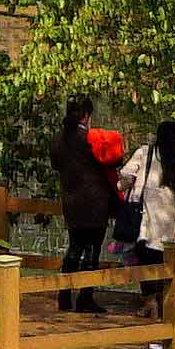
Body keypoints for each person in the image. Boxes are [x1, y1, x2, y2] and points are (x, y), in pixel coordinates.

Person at [113, 120, 175, 323]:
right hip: (169, 223)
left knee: (145, 261)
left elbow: (125, 174)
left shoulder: (145, 153)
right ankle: (160, 304)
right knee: (164, 263)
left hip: (146, 220)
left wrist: (125, 185)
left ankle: (151, 302)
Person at [53, 97, 120, 315]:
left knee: (74, 247)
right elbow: (112, 161)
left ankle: (64, 296)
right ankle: (85, 297)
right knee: (92, 250)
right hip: (95, 202)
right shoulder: (91, 139)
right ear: (87, 116)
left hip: (71, 201)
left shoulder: (58, 140)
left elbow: (56, 164)